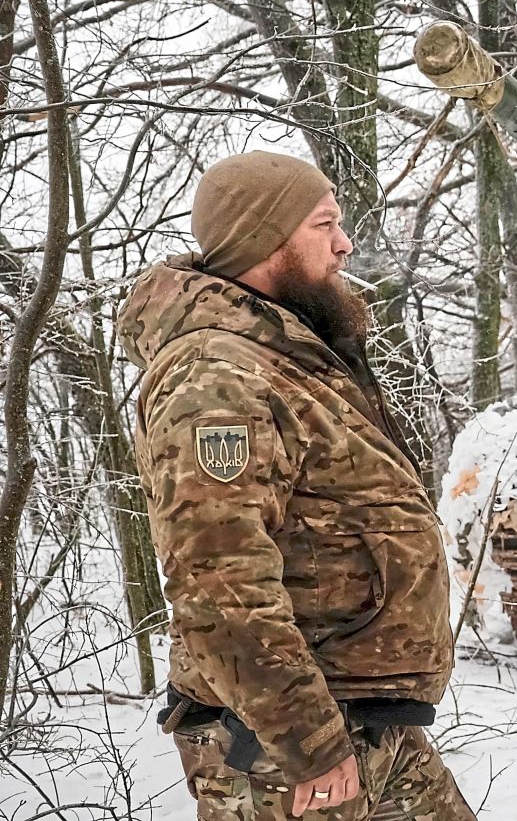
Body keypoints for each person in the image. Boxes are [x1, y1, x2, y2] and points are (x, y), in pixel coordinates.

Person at [118, 150, 476, 821]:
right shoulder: (217, 377)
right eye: (323, 224)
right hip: (284, 746)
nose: (344, 244)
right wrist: (307, 740)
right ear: (263, 238)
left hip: (365, 720)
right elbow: (218, 580)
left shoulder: (285, 355)